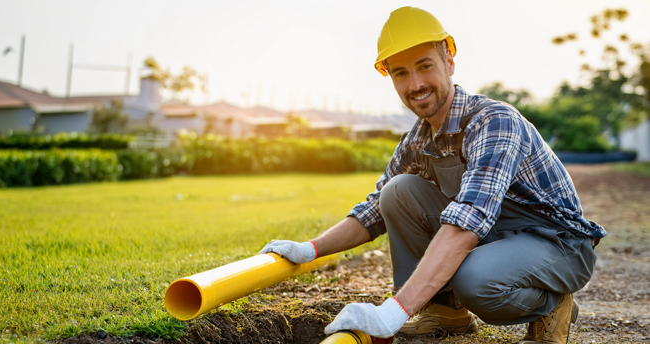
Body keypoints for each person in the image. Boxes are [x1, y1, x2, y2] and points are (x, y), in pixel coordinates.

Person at [259, 6, 604, 344]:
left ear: (449, 61)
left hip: (556, 243)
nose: (416, 84)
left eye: (425, 66)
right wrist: (310, 249)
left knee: (476, 280)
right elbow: (376, 209)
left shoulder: (493, 121)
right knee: (398, 191)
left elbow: (467, 224)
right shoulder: (418, 138)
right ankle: (444, 310)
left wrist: (392, 312)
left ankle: (552, 303)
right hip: (500, 234)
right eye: (401, 73)